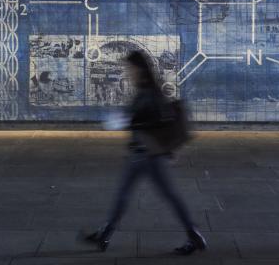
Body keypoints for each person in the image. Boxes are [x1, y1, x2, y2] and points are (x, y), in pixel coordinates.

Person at [81, 50, 207, 255]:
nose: (127, 72)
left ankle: (194, 235)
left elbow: (157, 119)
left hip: (148, 156)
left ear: (139, 69)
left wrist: (128, 122)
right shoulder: (145, 89)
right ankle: (104, 234)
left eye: (129, 68)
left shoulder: (150, 92)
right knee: (125, 196)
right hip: (140, 154)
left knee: (168, 196)